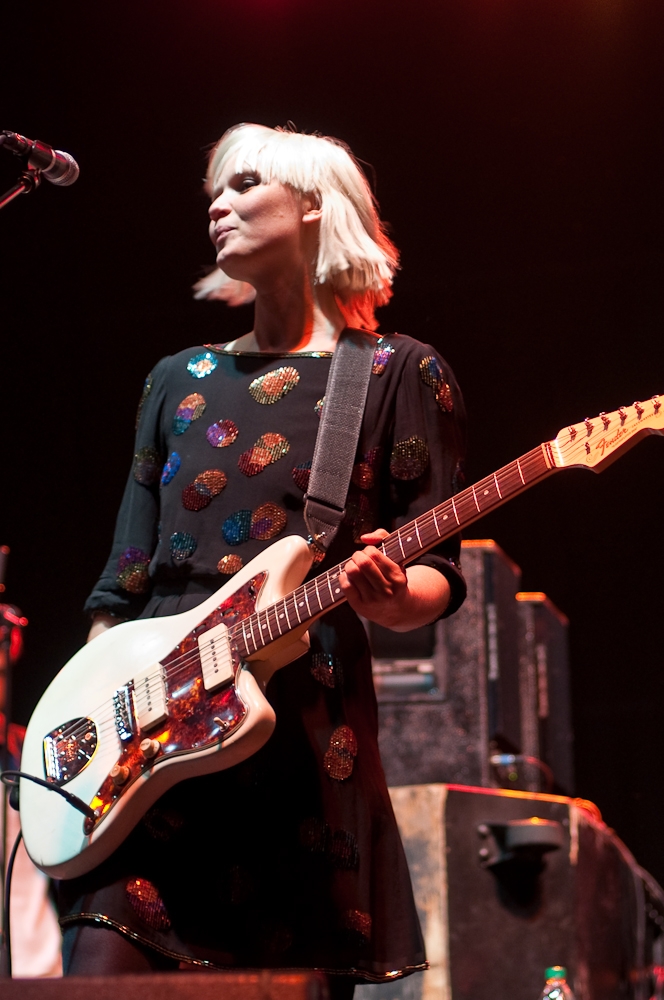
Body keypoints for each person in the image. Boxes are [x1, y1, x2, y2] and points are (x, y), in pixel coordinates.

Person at [58, 124, 467, 990]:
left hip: (299, 751)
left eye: (245, 185)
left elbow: (438, 568)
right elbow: (125, 573)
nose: (218, 204)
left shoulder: (399, 372)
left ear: (314, 205)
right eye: (215, 190)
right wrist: (94, 714)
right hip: (151, 745)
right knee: (100, 965)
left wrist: (388, 596)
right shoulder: (178, 376)